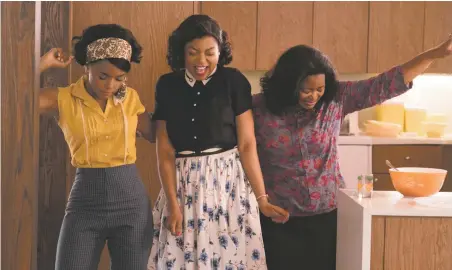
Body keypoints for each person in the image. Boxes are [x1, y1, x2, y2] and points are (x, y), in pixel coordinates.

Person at [252, 36, 452, 270]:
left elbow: (385, 84)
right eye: (306, 90)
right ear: (288, 85)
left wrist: (430, 55)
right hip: (279, 217)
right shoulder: (257, 108)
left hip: (329, 215)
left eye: (319, 89)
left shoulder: (336, 100)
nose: (314, 96)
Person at [148, 14, 289, 270]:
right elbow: (165, 151)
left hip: (228, 188)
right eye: (193, 53)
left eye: (210, 52)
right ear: (182, 53)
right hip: (182, 187)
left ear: (220, 51)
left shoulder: (233, 82)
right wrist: (172, 202)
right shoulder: (167, 85)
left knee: (229, 260)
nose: (201, 61)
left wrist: (262, 199)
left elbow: (247, 145)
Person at [38, 24, 154, 270]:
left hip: (132, 206)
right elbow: (14, 97)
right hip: (85, 204)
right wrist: (42, 63)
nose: (111, 85)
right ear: (87, 66)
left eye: (119, 78)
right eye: (103, 76)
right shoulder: (63, 99)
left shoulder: (130, 98)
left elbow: (157, 134)